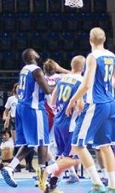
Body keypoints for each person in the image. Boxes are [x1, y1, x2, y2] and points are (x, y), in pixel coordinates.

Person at [66, 27, 115, 193]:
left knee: (77, 144)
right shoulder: (111, 56)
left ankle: (97, 183)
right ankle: (112, 185)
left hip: (96, 104)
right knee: (105, 145)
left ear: (90, 40)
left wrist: (73, 99)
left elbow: (86, 84)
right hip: (109, 103)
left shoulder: (92, 57)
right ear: (104, 39)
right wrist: (107, 90)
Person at [1, 48, 54, 188]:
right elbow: (47, 90)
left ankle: (10, 167)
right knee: (42, 142)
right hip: (33, 109)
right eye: (35, 52)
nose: (38, 53)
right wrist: (61, 83)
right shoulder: (36, 70)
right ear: (32, 56)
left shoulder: (24, 69)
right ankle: (42, 175)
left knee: (29, 143)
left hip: (21, 108)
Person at [37, 55, 85, 193]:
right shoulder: (81, 81)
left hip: (58, 121)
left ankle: (52, 185)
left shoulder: (63, 78)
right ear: (83, 68)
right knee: (76, 159)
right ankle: (46, 170)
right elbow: (80, 106)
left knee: (63, 157)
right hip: (71, 123)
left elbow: (52, 101)